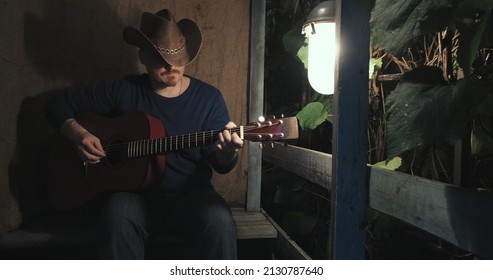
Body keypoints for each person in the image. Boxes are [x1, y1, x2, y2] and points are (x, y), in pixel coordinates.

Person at [45, 9, 243, 260]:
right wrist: (79, 134)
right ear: (143, 57)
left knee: (220, 221)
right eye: (160, 58)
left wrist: (227, 153)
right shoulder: (124, 90)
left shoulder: (209, 98)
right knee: (116, 213)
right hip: (134, 197)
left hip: (191, 196)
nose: (171, 66)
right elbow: (56, 105)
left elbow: (221, 164)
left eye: (178, 58)